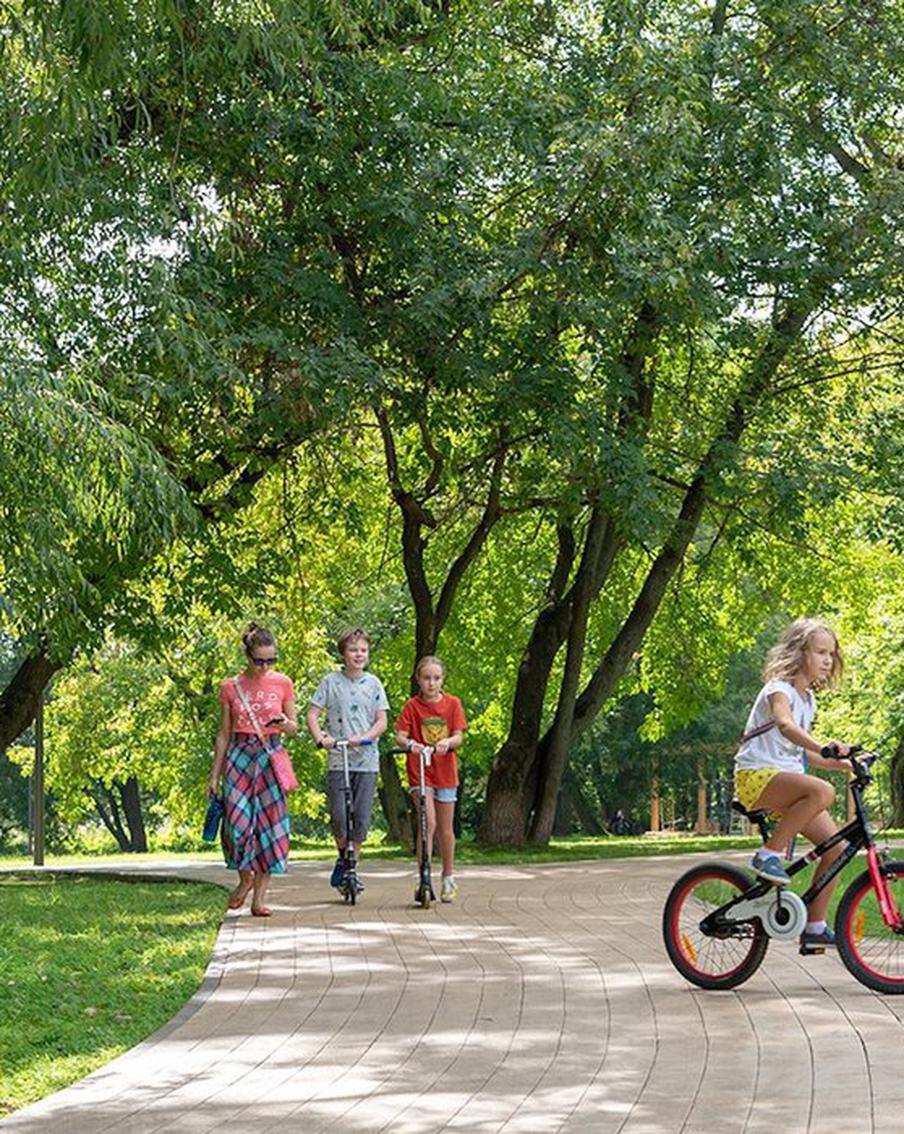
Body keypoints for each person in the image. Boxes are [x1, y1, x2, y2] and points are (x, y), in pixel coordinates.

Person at [734, 617, 853, 950]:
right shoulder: (779, 689)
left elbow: (804, 755)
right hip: (756, 778)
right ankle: (768, 854)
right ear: (800, 653)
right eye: (820, 652)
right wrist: (821, 746)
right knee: (822, 791)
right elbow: (785, 727)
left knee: (838, 850)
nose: (828, 660)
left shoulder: (809, 701)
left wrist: (843, 764)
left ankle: (814, 925)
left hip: (786, 779)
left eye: (831, 653)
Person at [209, 623, 298, 916]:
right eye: (259, 660)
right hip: (239, 757)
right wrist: (215, 775)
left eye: (271, 660)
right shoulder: (230, 687)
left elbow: (294, 726)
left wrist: (286, 724)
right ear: (247, 656)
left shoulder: (283, 683)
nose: (265, 667)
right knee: (238, 824)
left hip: (271, 755)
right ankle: (244, 879)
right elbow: (223, 733)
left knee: (270, 826)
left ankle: (260, 899)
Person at [307, 627, 389, 893]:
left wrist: (365, 737)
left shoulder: (374, 684)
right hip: (338, 759)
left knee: (361, 817)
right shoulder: (331, 682)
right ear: (343, 653)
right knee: (340, 816)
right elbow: (313, 715)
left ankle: (352, 868)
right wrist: (321, 738)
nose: (359, 654)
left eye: (363, 650)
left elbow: (382, 721)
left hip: (366, 760)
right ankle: (343, 858)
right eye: (353, 649)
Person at [396, 655, 467, 903]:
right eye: (426, 678)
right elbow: (400, 736)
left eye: (436, 678)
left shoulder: (453, 704)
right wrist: (411, 744)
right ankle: (423, 875)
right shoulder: (412, 707)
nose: (431, 683)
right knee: (429, 822)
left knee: (446, 829)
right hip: (421, 773)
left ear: (442, 679)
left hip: (446, 772)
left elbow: (459, 735)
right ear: (418, 679)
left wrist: (448, 742)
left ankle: (448, 877)